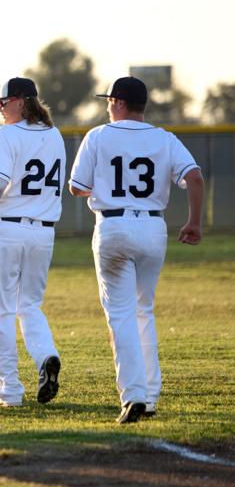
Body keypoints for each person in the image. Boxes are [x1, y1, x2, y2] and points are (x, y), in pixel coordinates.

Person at [69, 76, 203, 424]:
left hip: (113, 226)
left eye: (109, 100)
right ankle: (152, 394)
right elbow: (195, 178)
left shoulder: (98, 136)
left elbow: (77, 188)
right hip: (153, 227)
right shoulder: (165, 138)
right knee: (144, 310)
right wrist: (194, 222)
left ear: (117, 102)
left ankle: (134, 396)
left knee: (121, 314)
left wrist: (103, 186)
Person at [0, 77, 63, 408]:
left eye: (4, 101)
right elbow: (19, 177)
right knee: (30, 305)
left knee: (1, 311)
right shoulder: (53, 135)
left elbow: (3, 183)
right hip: (44, 230)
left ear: (21, 101)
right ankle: (47, 356)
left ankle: (9, 391)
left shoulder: (6, 133)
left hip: (9, 228)